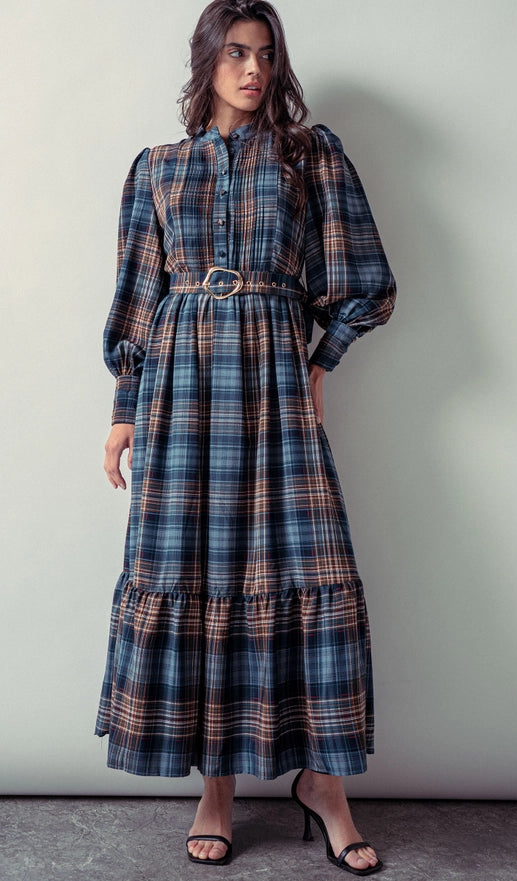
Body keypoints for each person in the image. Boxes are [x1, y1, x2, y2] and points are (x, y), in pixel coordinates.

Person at [96, 0, 396, 874]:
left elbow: (363, 279)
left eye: (264, 54)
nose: (252, 69)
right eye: (233, 53)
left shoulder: (310, 156)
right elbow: (137, 301)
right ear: (206, 63)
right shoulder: (157, 167)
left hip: (271, 381)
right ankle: (216, 788)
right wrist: (123, 409)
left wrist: (320, 361)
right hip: (179, 388)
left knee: (304, 562)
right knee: (195, 567)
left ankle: (325, 785)